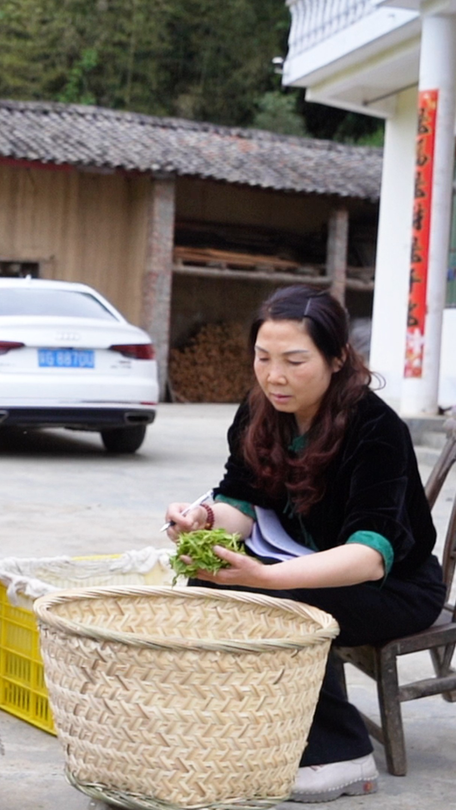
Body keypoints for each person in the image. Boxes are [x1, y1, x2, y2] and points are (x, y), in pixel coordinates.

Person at [164, 285, 446, 803]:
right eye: (263, 358)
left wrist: (267, 578)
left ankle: (343, 754)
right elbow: (242, 504)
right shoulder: (259, 414)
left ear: (337, 358)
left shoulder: (376, 429)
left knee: (282, 605)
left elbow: (368, 555)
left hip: (394, 586)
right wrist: (203, 518)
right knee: (205, 580)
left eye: (295, 361)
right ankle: (269, 728)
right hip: (297, 559)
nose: (275, 376)